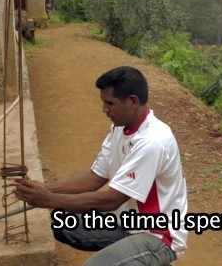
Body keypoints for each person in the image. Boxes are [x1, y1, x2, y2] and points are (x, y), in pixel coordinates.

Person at [14, 66, 188, 266]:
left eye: (109, 103)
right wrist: (40, 189)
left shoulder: (152, 141)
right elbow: (94, 178)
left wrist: (49, 199)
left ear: (132, 101)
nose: (104, 109)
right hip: (128, 222)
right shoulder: (120, 128)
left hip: (158, 234)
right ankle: (136, 257)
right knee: (60, 222)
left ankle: (150, 256)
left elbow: (112, 201)